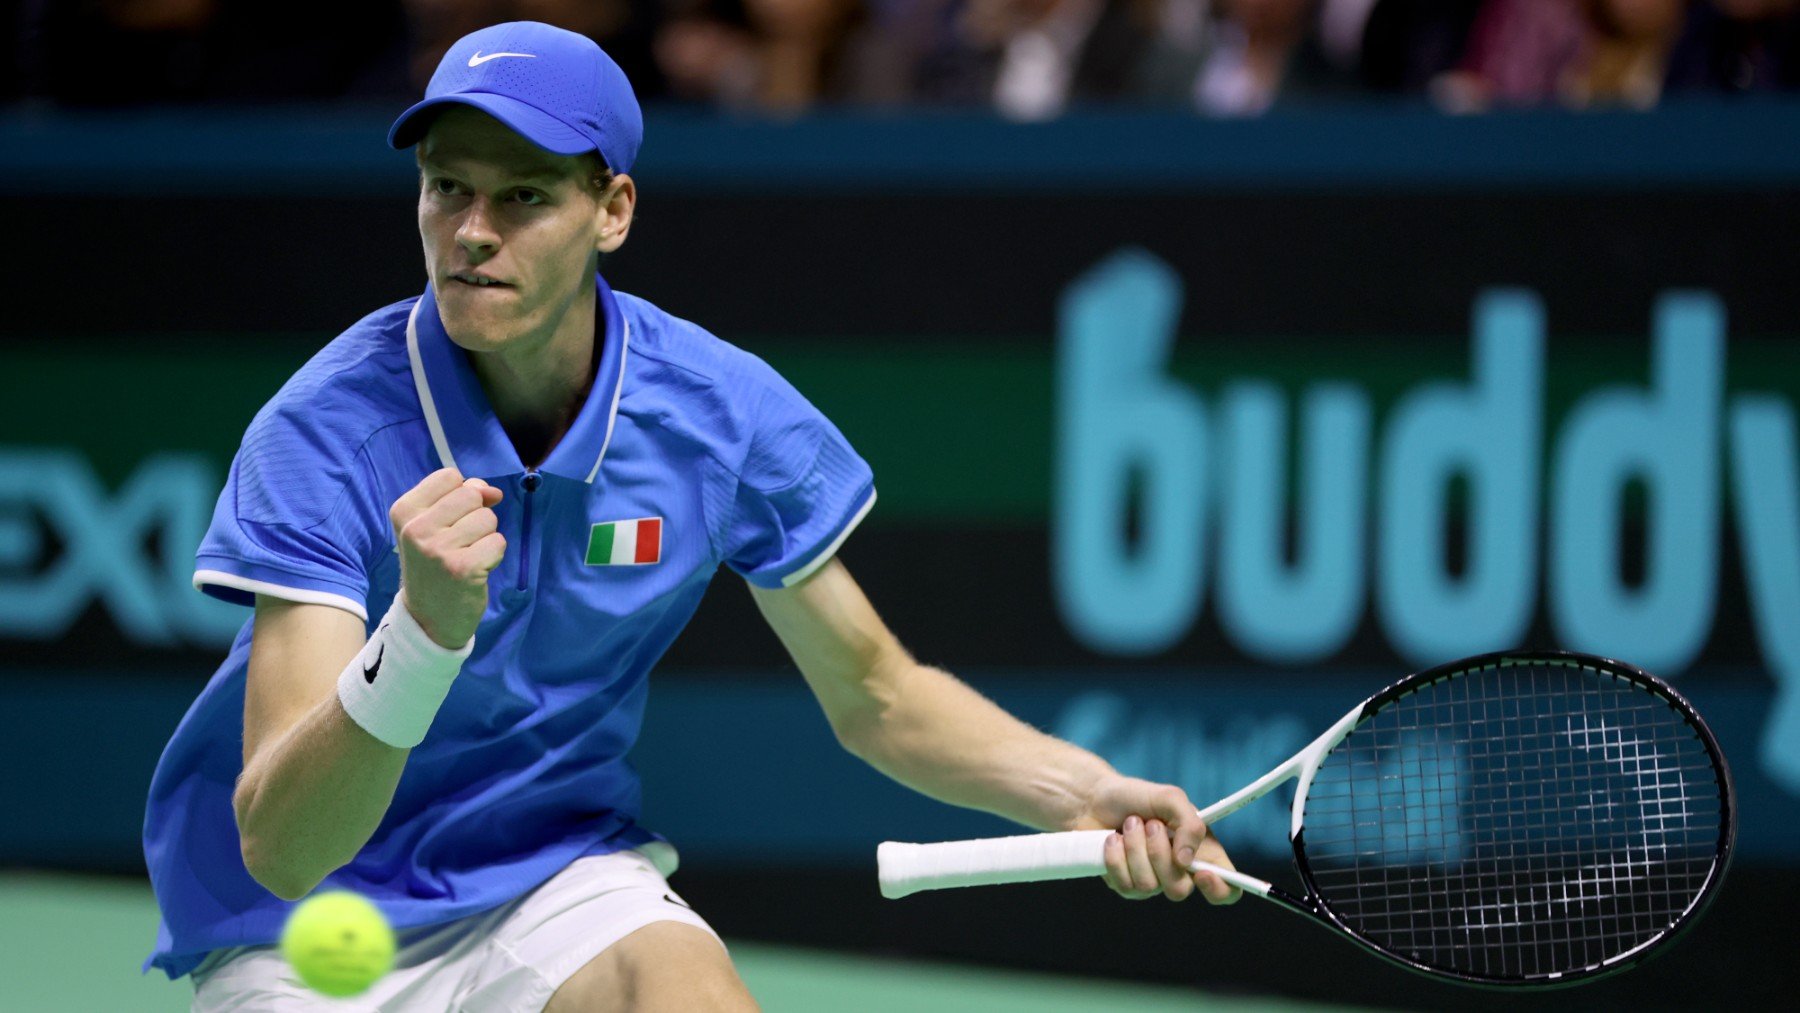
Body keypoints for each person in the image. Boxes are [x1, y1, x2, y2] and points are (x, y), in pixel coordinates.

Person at [141, 20, 1238, 1011]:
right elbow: (282, 845)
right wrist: (420, 637)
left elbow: (879, 694)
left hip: (547, 880)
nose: (472, 232)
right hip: (298, 928)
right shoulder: (326, 431)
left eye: (523, 195)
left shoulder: (715, 413)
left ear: (612, 210)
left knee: (687, 992)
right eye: (446, 188)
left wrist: (1087, 791)